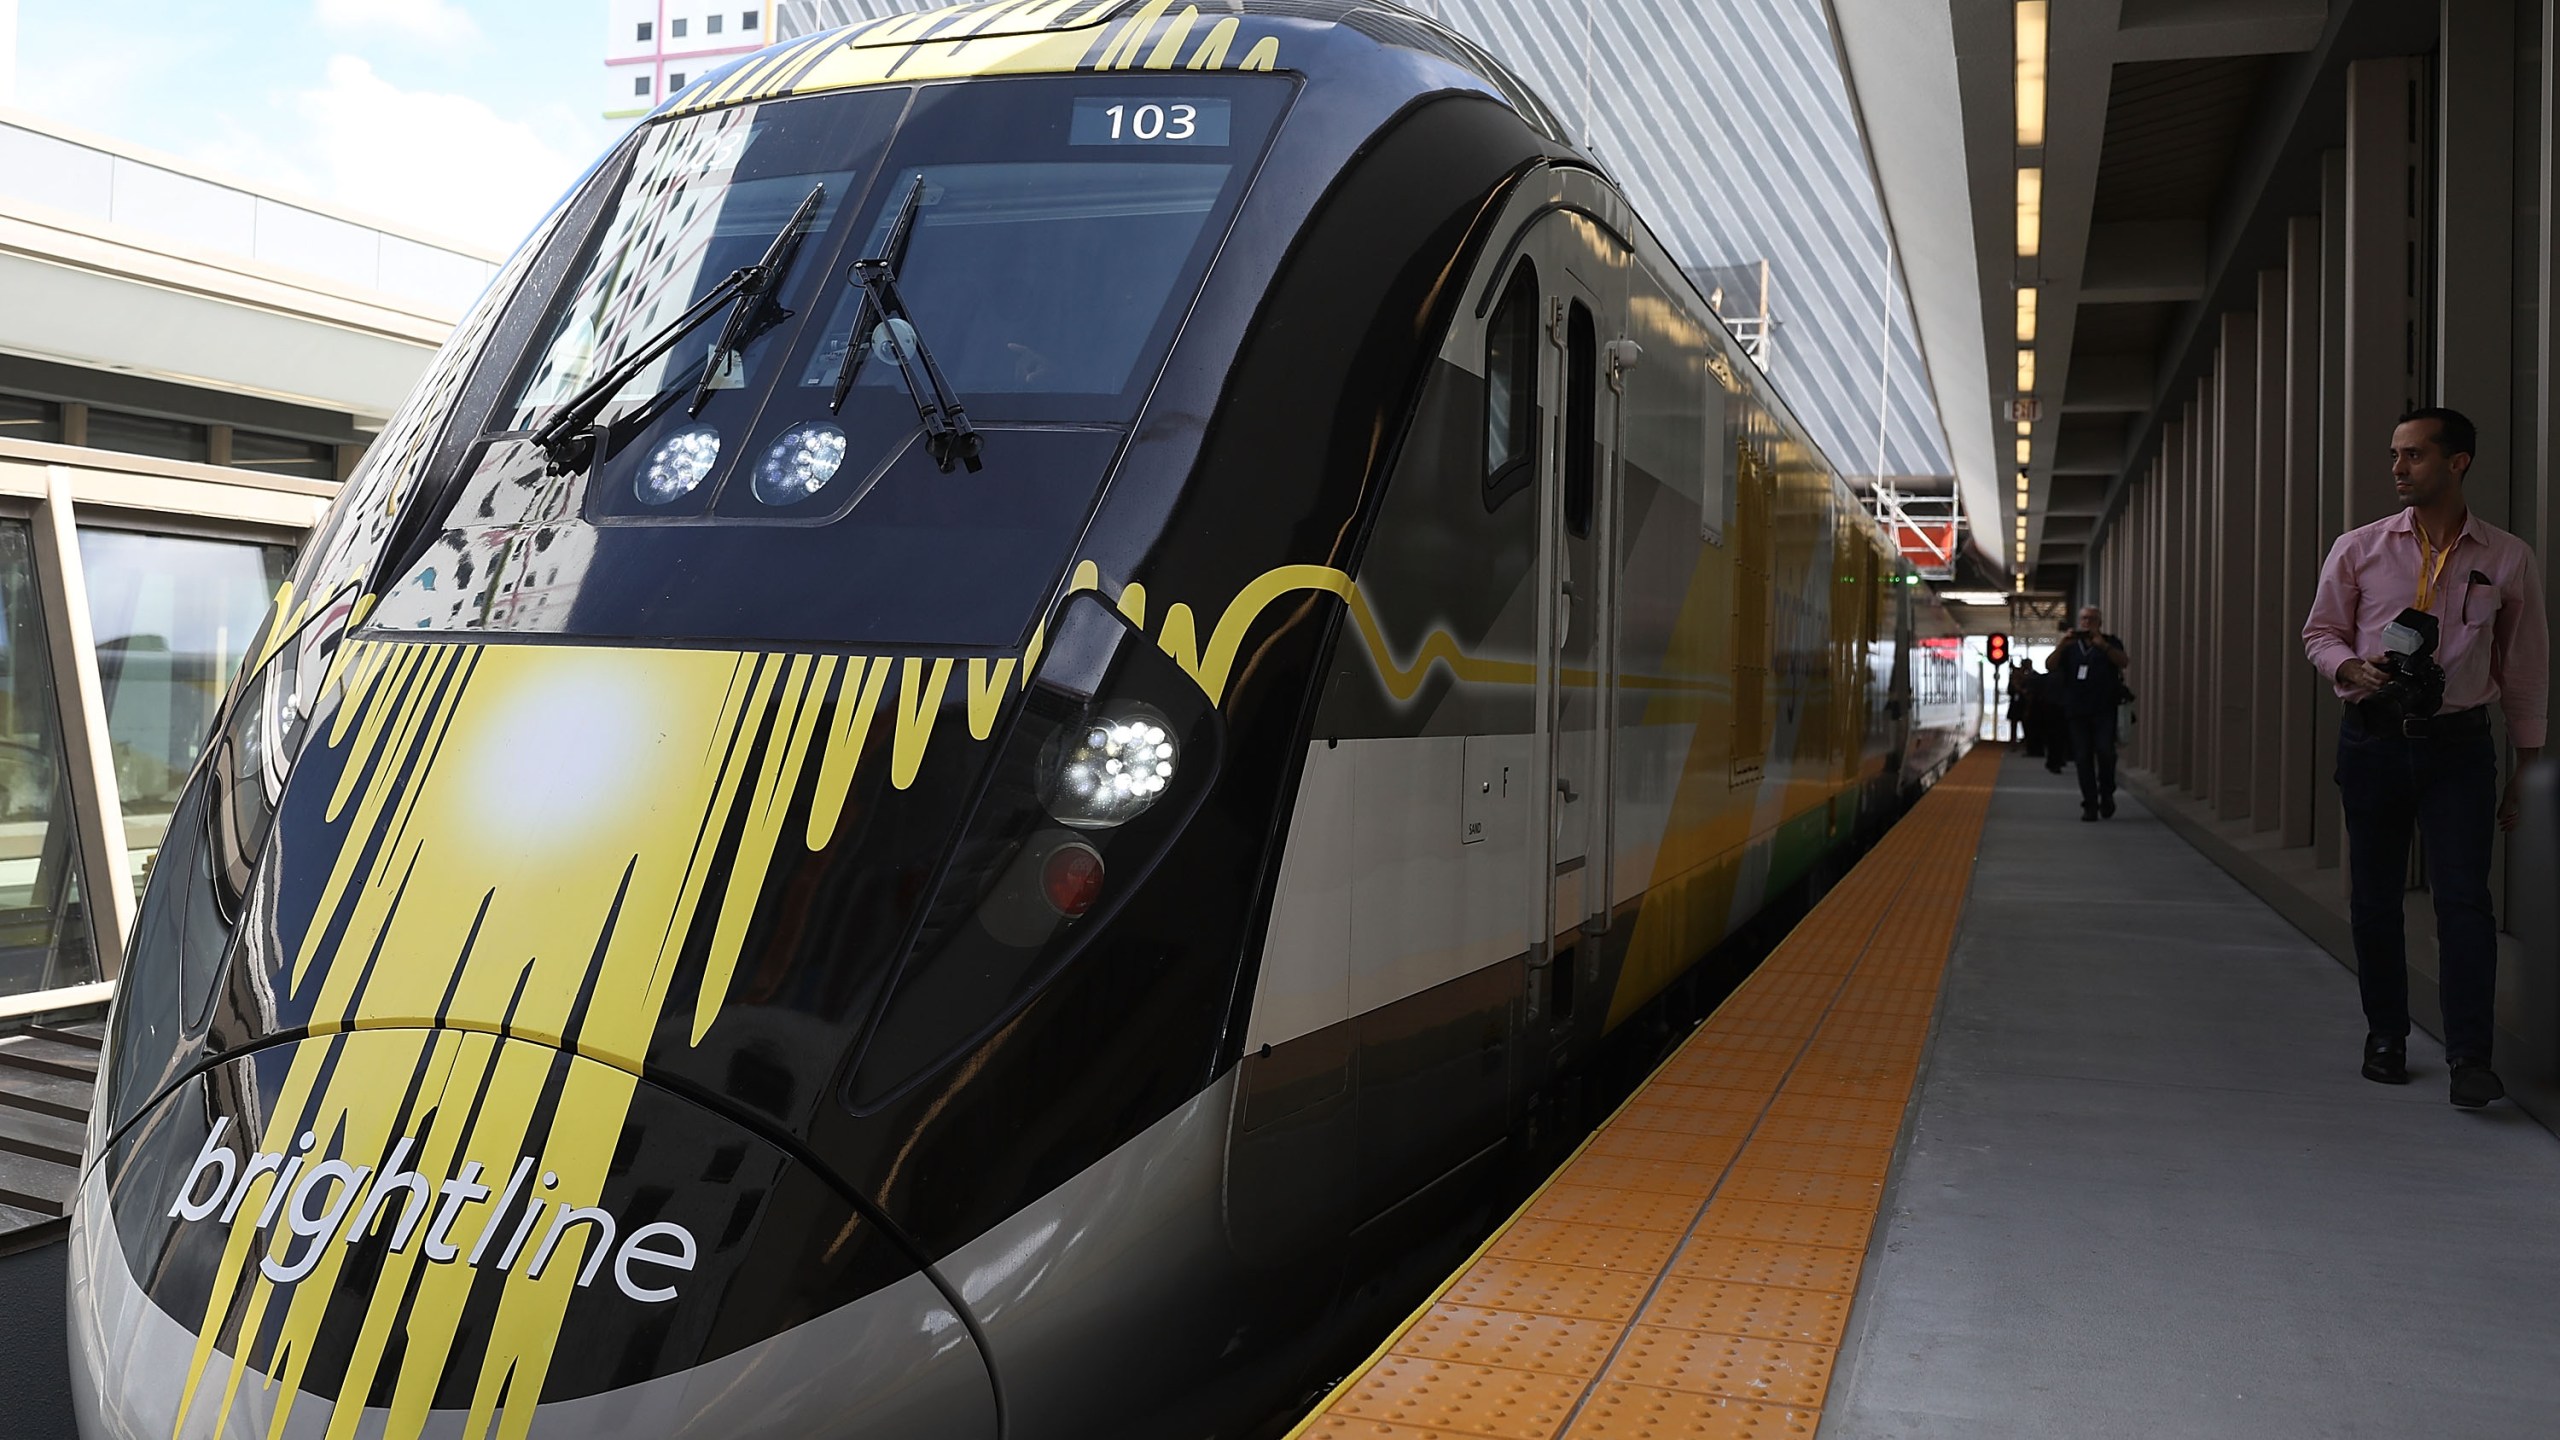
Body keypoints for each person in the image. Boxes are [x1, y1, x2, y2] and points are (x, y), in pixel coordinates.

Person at [2302, 406, 2548, 1109]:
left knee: (2465, 903)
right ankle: (2386, 1035)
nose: (2398, 469)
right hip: (2374, 741)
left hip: (2460, 747)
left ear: (2457, 462)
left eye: (2412, 455)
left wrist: (2528, 767)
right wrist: (2350, 669)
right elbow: (2319, 632)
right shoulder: (2359, 548)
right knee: (2373, 901)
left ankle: (2471, 1055)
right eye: (2395, 455)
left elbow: (2526, 668)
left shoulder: (2506, 557)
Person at [2054, 607, 2129, 820]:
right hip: (2077, 711)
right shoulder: (2070, 647)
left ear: (2100, 622)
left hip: (2104, 709)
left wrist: (2103, 646)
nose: (2087, 622)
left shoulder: (2110, 642)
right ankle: (2090, 803)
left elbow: (2123, 661)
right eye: (2084, 619)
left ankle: (2106, 793)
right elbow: (2050, 665)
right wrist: (2062, 644)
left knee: (2106, 752)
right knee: (2082, 757)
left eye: (2092, 619)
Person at [2006, 658, 2039, 748]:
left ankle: (2027, 741)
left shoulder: (2033, 676)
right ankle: (2013, 741)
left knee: (2026, 724)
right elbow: (2009, 690)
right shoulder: (2016, 676)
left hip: (2026, 703)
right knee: (2014, 722)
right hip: (2017, 703)